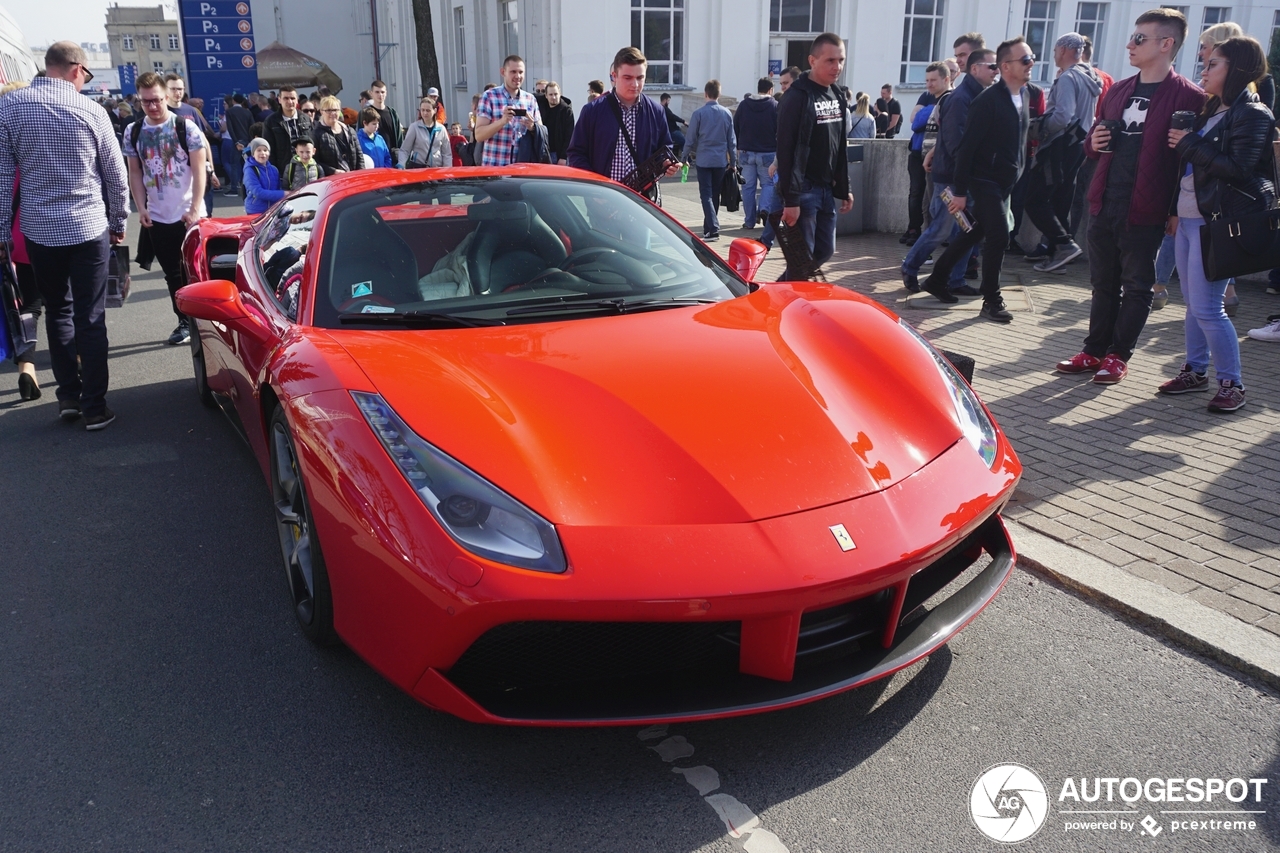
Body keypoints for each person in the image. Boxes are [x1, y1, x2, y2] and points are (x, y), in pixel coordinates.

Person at [1056, 8, 1205, 384]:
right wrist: (1094, 141)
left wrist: (1173, 210)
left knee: (1137, 285)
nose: (1130, 44)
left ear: (1166, 44)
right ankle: (1093, 351)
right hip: (1105, 199)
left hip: (1148, 207)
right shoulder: (1119, 89)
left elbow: (1189, 163)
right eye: (1133, 37)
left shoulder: (1189, 96)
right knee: (1102, 283)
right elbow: (1092, 144)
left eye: (1140, 38)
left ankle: (1118, 356)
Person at [0, 42, 128, 430]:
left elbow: (4, 179)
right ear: (76, 69)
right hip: (88, 226)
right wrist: (119, 220)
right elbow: (115, 174)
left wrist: (3, 230)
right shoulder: (92, 110)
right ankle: (94, 406)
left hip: (38, 229)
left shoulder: (9, 108)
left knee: (57, 312)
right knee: (90, 316)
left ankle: (68, 397)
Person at [1160, 36, 1272, 412]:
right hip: (1190, 216)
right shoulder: (1210, 111)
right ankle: (1195, 370)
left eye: (1213, 64)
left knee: (1208, 308)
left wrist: (1190, 143)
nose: (1203, 71)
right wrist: (1174, 210)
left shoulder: (1253, 114)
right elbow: (1188, 168)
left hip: (1218, 222)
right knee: (1193, 304)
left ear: (1237, 68)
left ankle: (1233, 384)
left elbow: (1239, 170)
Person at [921, 37, 1036, 324]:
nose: (1031, 63)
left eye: (1031, 58)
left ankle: (937, 279)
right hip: (984, 180)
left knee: (974, 232)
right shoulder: (986, 101)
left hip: (1006, 181)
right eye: (1025, 59)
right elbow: (967, 149)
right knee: (998, 236)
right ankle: (992, 299)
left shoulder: (1027, 94)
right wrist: (960, 192)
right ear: (1005, 66)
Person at [123, 71, 208, 346]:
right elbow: (134, 173)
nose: (153, 106)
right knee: (172, 273)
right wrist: (140, 208)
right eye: (146, 102)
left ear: (166, 96)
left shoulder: (185, 127)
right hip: (158, 216)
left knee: (197, 271)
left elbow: (199, 171)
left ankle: (206, 323)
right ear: (139, 100)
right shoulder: (133, 131)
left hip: (190, 214)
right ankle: (183, 322)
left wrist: (195, 208)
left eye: (157, 100)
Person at [904, 47, 997, 295]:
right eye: (992, 66)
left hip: (961, 177)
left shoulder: (973, 96)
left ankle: (955, 281)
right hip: (953, 179)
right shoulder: (961, 99)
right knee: (943, 230)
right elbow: (957, 144)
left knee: (966, 231)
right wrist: (963, 182)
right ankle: (911, 267)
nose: (996, 71)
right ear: (976, 69)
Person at [775, 33, 853, 279]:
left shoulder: (837, 94)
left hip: (826, 189)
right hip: (803, 190)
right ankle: (781, 305)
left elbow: (838, 145)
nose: (837, 66)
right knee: (803, 258)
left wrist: (843, 187)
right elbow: (786, 150)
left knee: (825, 250)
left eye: (841, 60)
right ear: (812, 60)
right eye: (830, 60)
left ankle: (775, 296)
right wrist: (791, 200)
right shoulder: (797, 97)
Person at [1022, 33, 1103, 272]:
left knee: (1034, 199)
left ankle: (1064, 245)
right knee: (1060, 199)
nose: (1054, 54)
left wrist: (1039, 127)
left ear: (1065, 50)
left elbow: (1063, 116)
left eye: (1056, 49)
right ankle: (1058, 256)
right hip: (1078, 146)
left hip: (1059, 146)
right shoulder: (1090, 76)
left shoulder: (1068, 78)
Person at [567, 46, 678, 188]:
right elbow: (576, 153)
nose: (635, 84)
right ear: (614, 76)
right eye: (628, 78)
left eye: (640, 78)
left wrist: (666, 164)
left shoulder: (656, 112)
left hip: (640, 199)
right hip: (601, 197)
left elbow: (664, 149)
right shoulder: (592, 111)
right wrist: (593, 188)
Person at [683, 80, 737, 240]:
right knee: (715, 194)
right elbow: (732, 141)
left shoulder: (698, 114)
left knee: (705, 194)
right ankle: (709, 229)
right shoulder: (726, 113)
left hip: (704, 160)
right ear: (719, 94)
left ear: (705, 94)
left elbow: (690, 138)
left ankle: (712, 228)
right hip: (720, 161)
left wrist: (684, 157)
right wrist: (733, 162)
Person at [902, 63, 949, 244]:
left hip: (941, 163)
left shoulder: (948, 100)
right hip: (924, 158)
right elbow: (915, 123)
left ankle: (930, 246)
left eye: (933, 80)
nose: (929, 85)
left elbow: (950, 135)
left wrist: (932, 154)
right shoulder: (933, 99)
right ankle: (926, 242)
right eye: (927, 80)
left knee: (939, 205)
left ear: (946, 79)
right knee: (927, 202)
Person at [475, 55, 541, 167]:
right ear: (503, 72)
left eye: (521, 72)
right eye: (513, 72)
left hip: (522, 169)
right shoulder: (489, 96)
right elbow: (479, 135)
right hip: (495, 169)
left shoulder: (530, 99)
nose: (518, 76)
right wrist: (502, 121)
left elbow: (541, 133)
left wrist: (533, 128)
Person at [734, 77, 778, 229]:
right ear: (771, 90)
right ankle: (764, 209)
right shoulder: (774, 106)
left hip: (746, 152)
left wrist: (740, 143)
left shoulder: (744, 105)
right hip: (768, 152)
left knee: (747, 187)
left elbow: (736, 125)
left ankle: (749, 221)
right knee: (768, 184)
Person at [264, 85, 313, 174]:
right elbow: (269, 150)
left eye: (292, 98)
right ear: (279, 99)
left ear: (297, 100)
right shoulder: (271, 121)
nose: (290, 101)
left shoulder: (306, 118)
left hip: (307, 169)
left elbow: (312, 143)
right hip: (284, 171)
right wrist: (274, 172)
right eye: (286, 98)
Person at [311, 95, 364, 174]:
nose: (332, 113)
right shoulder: (316, 134)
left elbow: (359, 155)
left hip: (353, 178)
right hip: (331, 181)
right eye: (328, 110)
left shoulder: (349, 131)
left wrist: (361, 173)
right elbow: (314, 161)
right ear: (322, 111)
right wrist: (333, 171)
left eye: (335, 110)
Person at [399, 97, 453, 168]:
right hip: (419, 169)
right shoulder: (414, 127)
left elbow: (446, 153)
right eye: (422, 110)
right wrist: (401, 164)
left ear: (435, 110)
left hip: (437, 170)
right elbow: (405, 150)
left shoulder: (441, 129)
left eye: (428, 110)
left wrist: (447, 173)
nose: (425, 113)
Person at [222, 93, 254, 195]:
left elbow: (230, 128)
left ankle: (234, 189)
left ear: (233, 101)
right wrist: (250, 141)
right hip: (247, 141)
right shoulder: (247, 112)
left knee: (234, 165)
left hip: (236, 142)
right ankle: (249, 187)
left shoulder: (230, 112)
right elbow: (252, 127)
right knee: (248, 164)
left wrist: (236, 142)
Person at [243, 138, 285, 215]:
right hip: (255, 210)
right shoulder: (250, 170)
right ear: (253, 153)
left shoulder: (274, 169)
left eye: (265, 150)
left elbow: (278, 188)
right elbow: (258, 192)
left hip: (273, 210)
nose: (262, 153)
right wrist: (283, 194)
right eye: (258, 150)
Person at [540, 82, 576, 164]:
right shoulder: (542, 108)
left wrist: (563, 157)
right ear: (546, 96)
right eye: (550, 94)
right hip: (544, 153)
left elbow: (569, 136)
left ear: (560, 94)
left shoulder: (566, 111)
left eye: (556, 94)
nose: (553, 97)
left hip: (558, 154)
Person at [368, 80, 402, 162]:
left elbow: (400, 138)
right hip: (374, 159)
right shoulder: (366, 113)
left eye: (382, 92)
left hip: (392, 159)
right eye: (377, 92)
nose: (380, 95)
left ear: (386, 93)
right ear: (371, 93)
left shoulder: (392, 113)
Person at [659, 93, 688, 157]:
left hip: (670, 131)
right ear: (665, 100)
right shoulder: (664, 109)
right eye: (668, 100)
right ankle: (687, 160)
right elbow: (672, 116)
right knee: (684, 142)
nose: (669, 102)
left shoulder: (660, 109)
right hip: (672, 131)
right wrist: (683, 121)